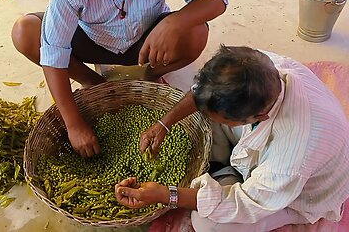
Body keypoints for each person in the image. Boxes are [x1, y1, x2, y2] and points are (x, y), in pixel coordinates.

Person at [114, 45, 349, 231]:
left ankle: (225, 177)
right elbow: (202, 90)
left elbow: (248, 204)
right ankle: (225, 174)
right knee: (206, 114)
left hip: (297, 193)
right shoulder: (257, 68)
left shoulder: (293, 155)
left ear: (258, 116)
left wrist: (166, 195)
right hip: (269, 148)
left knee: (207, 225)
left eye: (227, 120)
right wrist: (164, 124)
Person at [11, 0, 228, 158]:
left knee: (196, 32)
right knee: (25, 32)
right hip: (91, 40)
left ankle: (150, 75)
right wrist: (74, 125)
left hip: (147, 42)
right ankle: (93, 82)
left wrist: (175, 23)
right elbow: (53, 52)